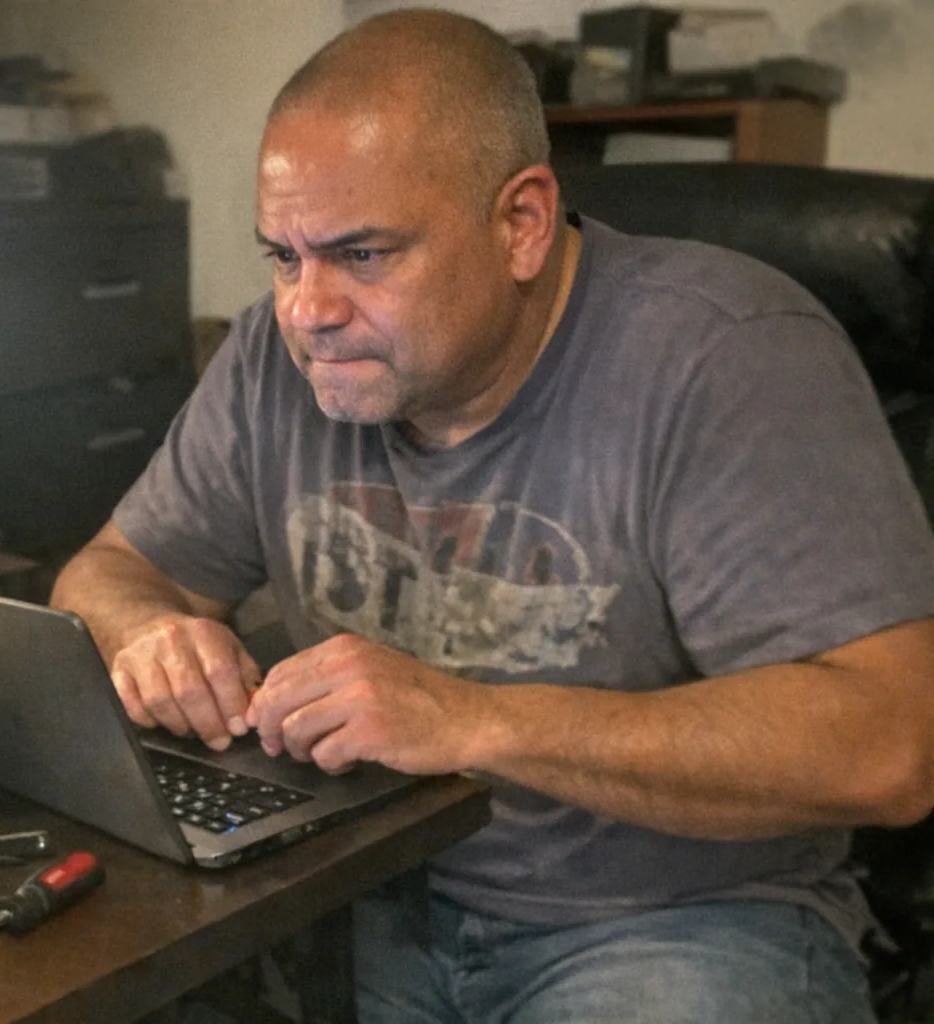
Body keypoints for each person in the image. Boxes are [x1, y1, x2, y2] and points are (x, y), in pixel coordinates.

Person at [50, 9, 934, 1021]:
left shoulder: (726, 358)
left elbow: (891, 743)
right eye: (284, 258)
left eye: (364, 254)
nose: (307, 309)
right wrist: (152, 633)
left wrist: (469, 717)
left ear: (519, 223)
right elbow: (106, 571)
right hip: (356, 889)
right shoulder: (277, 357)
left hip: (671, 916)